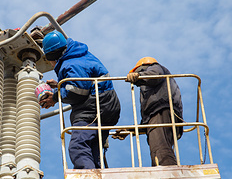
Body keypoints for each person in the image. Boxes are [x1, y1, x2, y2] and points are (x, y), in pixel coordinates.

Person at [40, 30, 120, 169]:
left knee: (78, 147)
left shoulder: (71, 63)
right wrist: (60, 85)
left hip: (94, 108)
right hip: (105, 106)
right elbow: (82, 82)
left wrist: (54, 97)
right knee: (92, 149)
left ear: (53, 56)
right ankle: (96, 177)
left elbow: (77, 92)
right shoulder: (78, 55)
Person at [126, 57, 183, 166]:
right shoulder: (156, 91)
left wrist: (138, 76)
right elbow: (150, 117)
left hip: (161, 111)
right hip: (163, 112)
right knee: (159, 146)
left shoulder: (154, 67)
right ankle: (164, 170)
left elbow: (155, 75)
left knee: (160, 147)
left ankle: (167, 174)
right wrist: (132, 129)